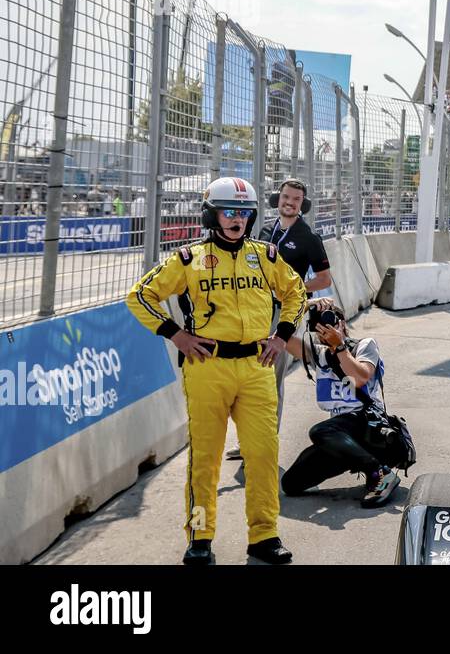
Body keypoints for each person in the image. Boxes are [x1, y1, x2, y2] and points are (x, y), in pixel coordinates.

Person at [126, 176, 306, 565]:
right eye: (229, 211)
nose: (237, 219)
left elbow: (296, 293)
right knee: (205, 459)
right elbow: (140, 296)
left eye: (244, 212)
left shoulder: (267, 256)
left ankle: (264, 536)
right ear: (212, 214)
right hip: (207, 368)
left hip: (257, 367)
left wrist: (282, 335)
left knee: (262, 454)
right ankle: (200, 536)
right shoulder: (187, 259)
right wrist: (176, 335)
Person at [226, 178, 334, 461]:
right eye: (286, 197)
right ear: (278, 199)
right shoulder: (264, 229)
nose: (290, 202)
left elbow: (324, 278)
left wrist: (292, 288)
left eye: (296, 199)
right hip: (253, 309)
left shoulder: (309, 237)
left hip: (284, 311)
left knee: (271, 374)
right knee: (249, 375)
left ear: (302, 204)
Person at [280, 299, 402, 507]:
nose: (326, 329)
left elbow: (361, 376)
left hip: (367, 426)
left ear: (342, 323)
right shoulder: (317, 353)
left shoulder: (364, 345)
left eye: (331, 321)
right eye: (320, 324)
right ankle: (355, 459)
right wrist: (305, 305)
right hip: (339, 435)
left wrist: (339, 346)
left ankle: (378, 472)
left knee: (319, 431)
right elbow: (281, 336)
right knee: (291, 483)